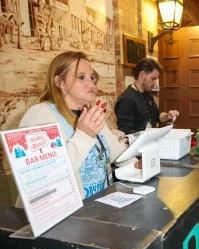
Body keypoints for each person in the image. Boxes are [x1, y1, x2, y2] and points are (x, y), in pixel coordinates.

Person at [15, 51, 127, 207]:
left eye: (92, 77)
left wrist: (139, 160)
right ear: (60, 82)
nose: (91, 84)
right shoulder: (39, 115)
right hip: (61, 215)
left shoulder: (87, 113)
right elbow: (45, 178)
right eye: (81, 77)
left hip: (98, 209)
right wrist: (83, 136)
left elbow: (116, 152)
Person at [114, 58, 179, 134]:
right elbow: (125, 132)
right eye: (153, 79)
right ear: (142, 75)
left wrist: (168, 116)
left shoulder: (147, 94)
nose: (155, 83)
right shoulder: (127, 100)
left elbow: (158, 115)